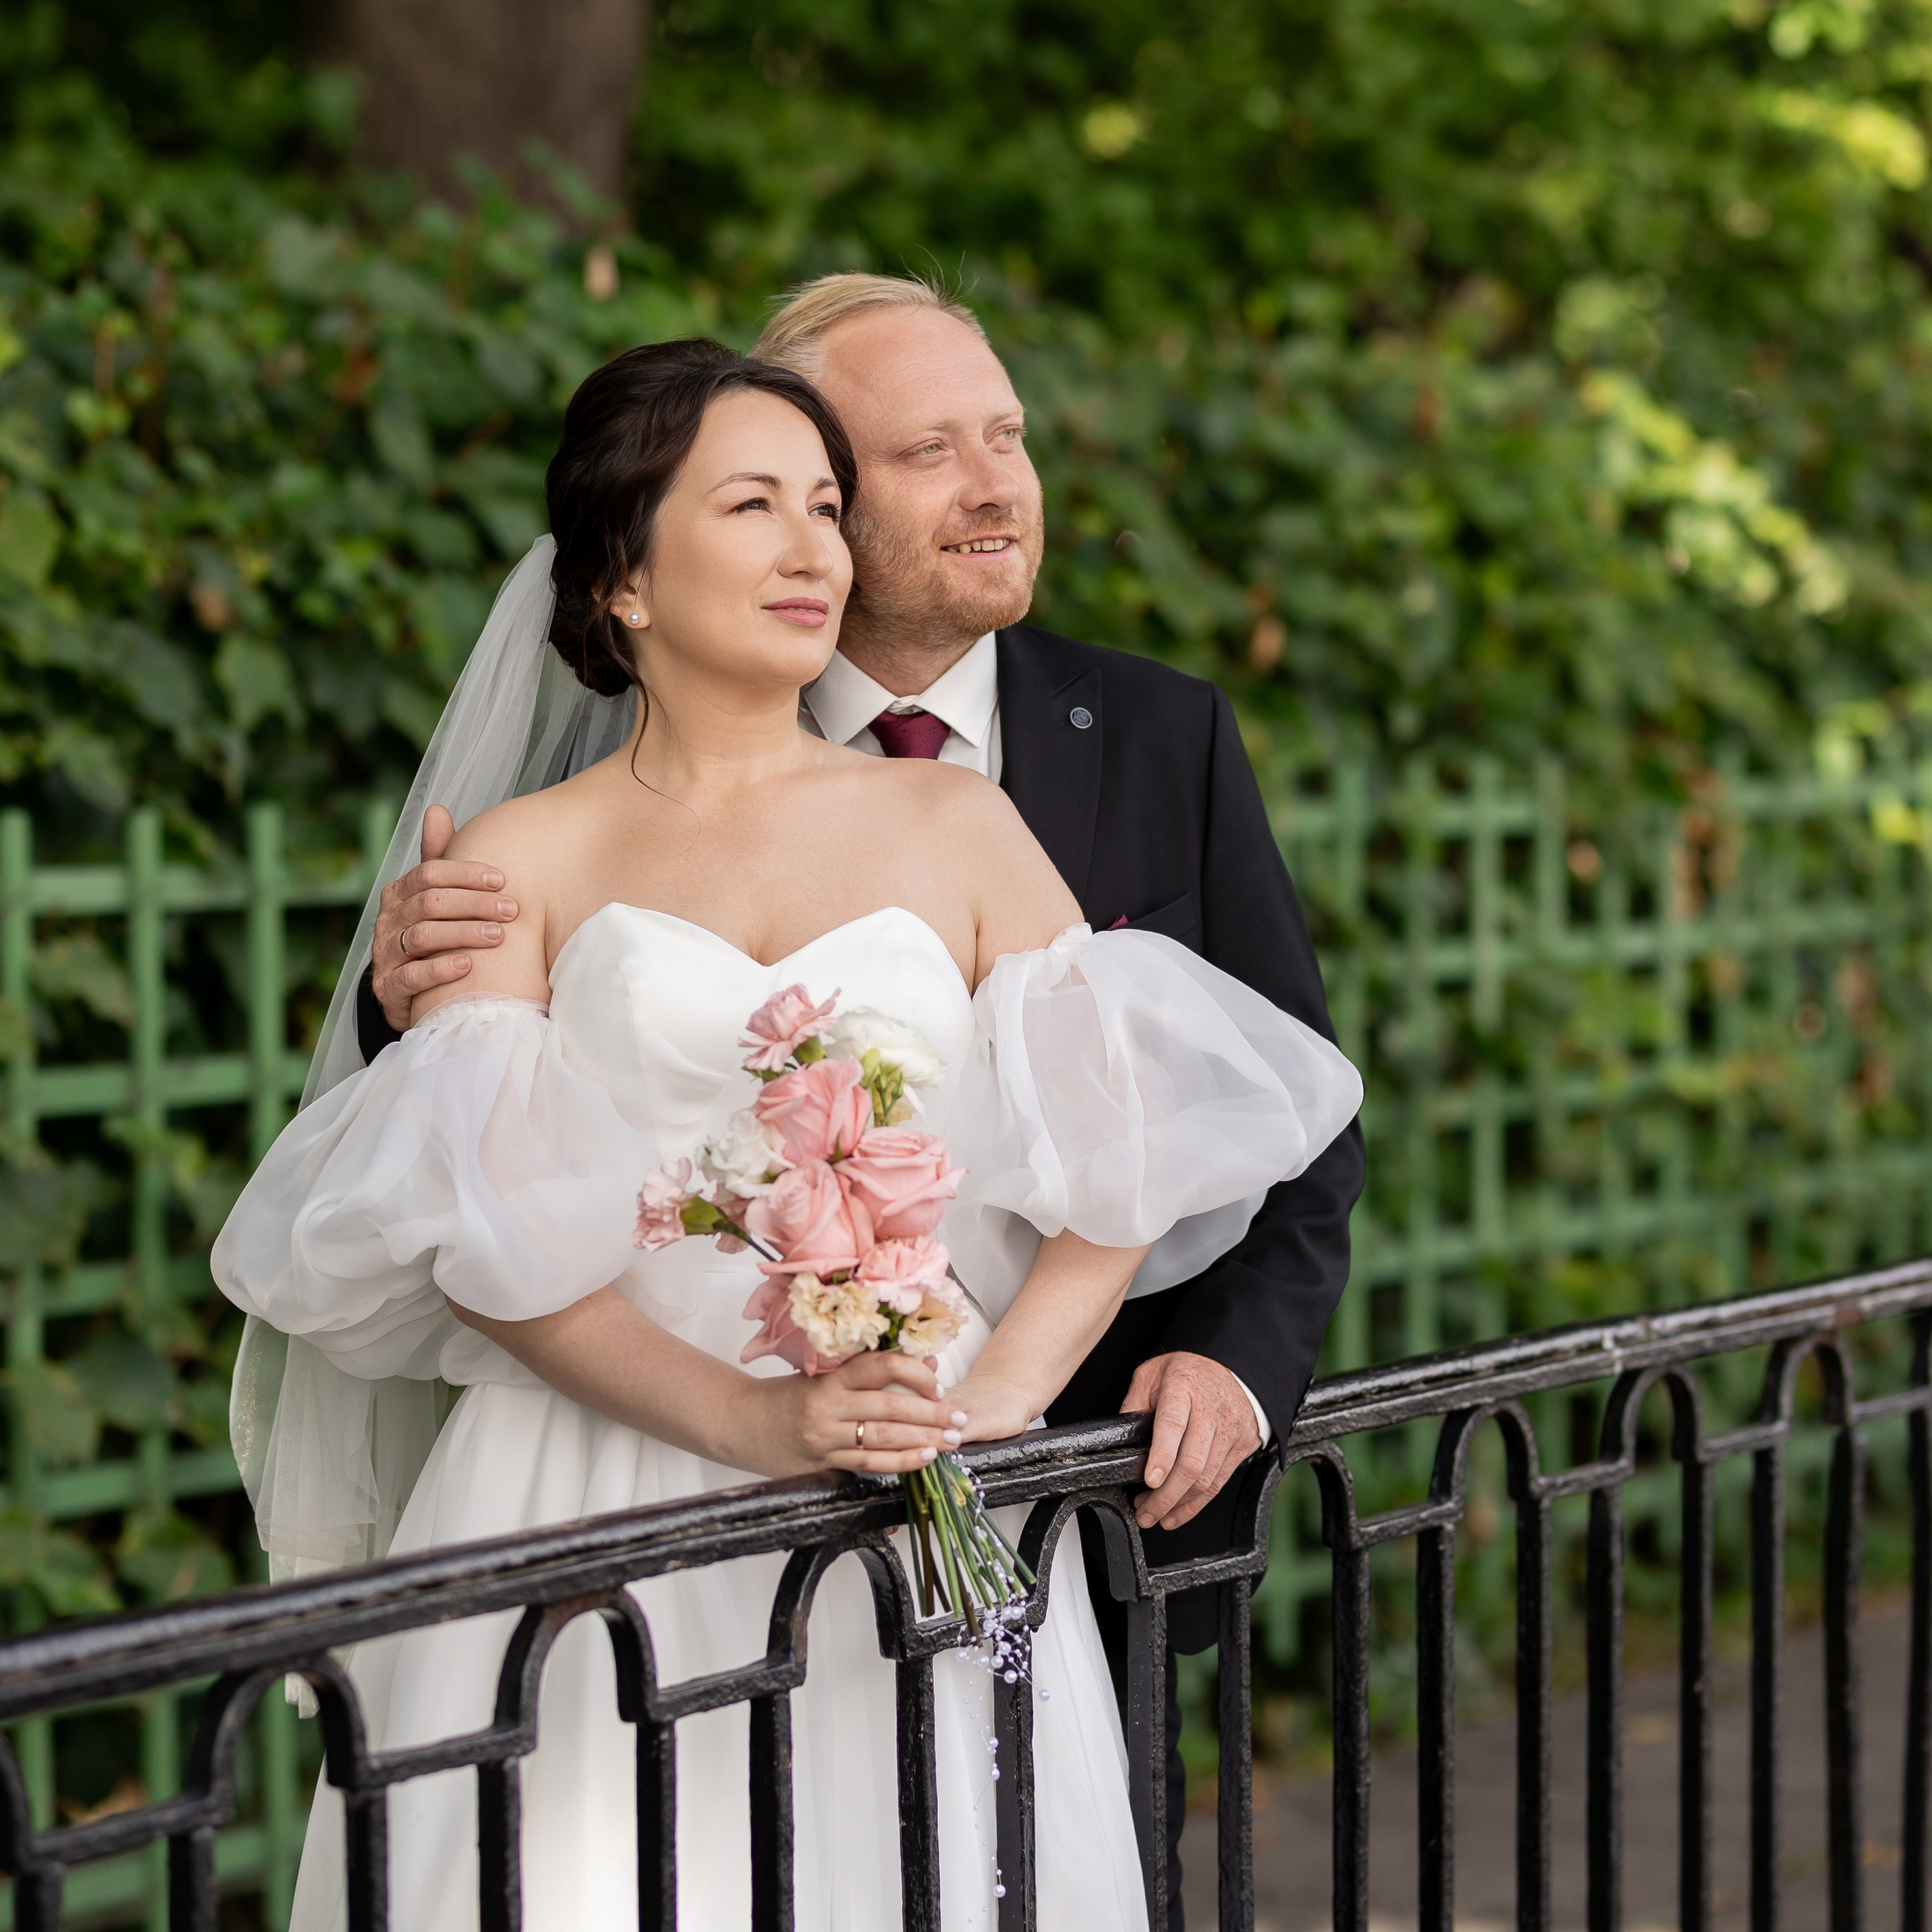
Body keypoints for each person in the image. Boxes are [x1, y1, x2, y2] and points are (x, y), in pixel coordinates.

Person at [214, 338, 1361, 1930]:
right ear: (619, 575)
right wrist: (754, 1432)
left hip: (915, 1468)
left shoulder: (956, 823)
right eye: (751, 504)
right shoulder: (515, 863)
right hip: (591, 1482)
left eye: (824, 504)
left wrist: (1000, 1396)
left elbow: (1130, 1148)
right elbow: (480, 1237)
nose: (810, 545)